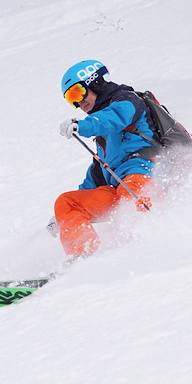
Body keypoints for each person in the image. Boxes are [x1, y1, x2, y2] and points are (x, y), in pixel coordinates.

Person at [52, 60, 159, 258]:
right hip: (117, 189)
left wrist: (82, 126)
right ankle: (84, 258)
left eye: (77, 93)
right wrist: (63, 218)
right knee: (67, 203)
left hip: (143, 179)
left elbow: (114, 118)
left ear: (95, 82)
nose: (78, 103)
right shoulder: (103, 136)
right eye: (70, 99)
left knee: (130, 203)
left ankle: (140, 255)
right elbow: (97, 175)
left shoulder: (127, 100)